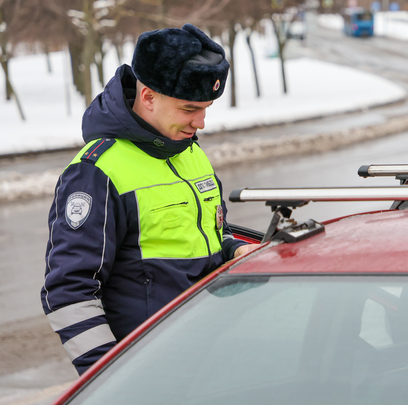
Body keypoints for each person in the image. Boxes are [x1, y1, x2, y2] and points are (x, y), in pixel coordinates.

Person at [41, 24, 256, 375]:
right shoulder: (97, 171)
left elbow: (207, 236)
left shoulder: (189, 152)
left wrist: (232, 249)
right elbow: (67, 291)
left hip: (209, 357)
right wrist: (108, 379)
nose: (200, 122)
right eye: (189, 109)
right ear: (149, 97)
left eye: (206, 108)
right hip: (149, 375)